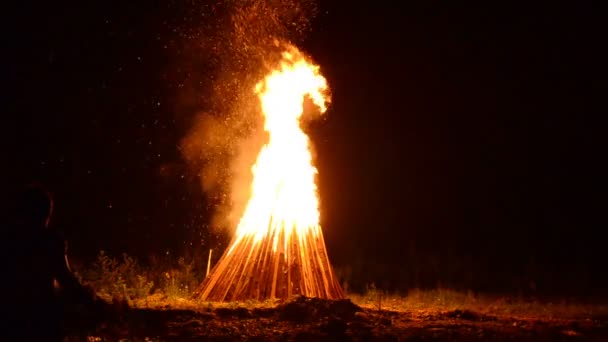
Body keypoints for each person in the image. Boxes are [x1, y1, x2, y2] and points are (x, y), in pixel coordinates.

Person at [1, 184, 108, 340]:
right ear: (46, 213)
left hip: (10, 319)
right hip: (41, 318)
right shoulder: (50, 240)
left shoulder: (7, 239)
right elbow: (65, 278)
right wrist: (92, 300)